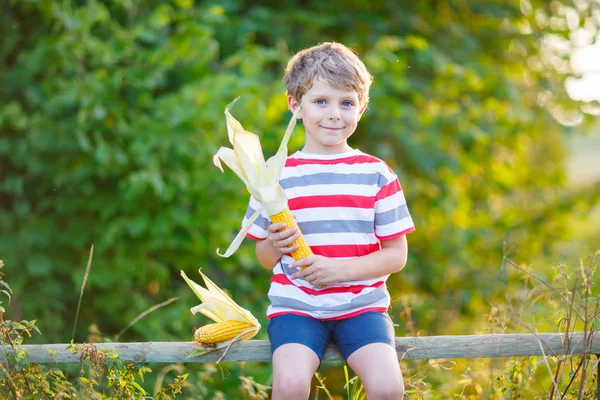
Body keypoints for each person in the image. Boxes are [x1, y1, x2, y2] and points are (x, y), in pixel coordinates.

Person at [243, 42, 415, 399]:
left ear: (361, 108)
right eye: (321, 101)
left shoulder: (375, 174)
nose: (334, 114)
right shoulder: (274, 175)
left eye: (346, 103)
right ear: (296, 105)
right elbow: (263, 258)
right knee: (290, 385)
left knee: (387, 388)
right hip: (296, 308)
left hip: (362, 306)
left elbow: (396, 255)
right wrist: (274, 244)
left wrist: (339, 271)